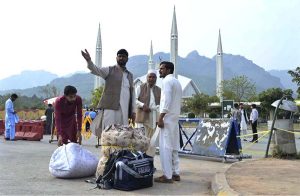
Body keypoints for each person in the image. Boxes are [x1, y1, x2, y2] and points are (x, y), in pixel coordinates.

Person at [81, 49, 136, 130]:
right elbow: (96, 70)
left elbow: (133, 94)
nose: (121, 58)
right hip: (111, 108)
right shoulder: (109, 70)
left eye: (123, 56)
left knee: (123, 133)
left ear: (127, 59)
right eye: (119, 56)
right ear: (116, 58)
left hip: (125, 109)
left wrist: (133, 111)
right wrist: (89, 61)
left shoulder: (130, 75)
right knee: (109, 131)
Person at [154, 61, 182, 183]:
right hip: (174, 119)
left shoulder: (166, 81)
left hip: (167, 119)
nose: (159, 71)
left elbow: (166, 100)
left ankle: (167, 176)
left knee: (165, 147)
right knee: (174, 146)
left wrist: (161, 117)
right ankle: (176, 173)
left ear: (168, 70)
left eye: (162, 69)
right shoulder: (176, 82)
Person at [136, 69, 161, 138]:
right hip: (142, 116)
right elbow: (134, 101)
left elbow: (161, 103)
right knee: (142, 138)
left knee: (152, 138)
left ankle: (150, 149)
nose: (151, 79)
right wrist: (143, 105)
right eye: (150, 77)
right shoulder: (140, 88)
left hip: (154, 116)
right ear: (146, 77)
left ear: (156, 79)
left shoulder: (159, 90)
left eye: (153, 77)